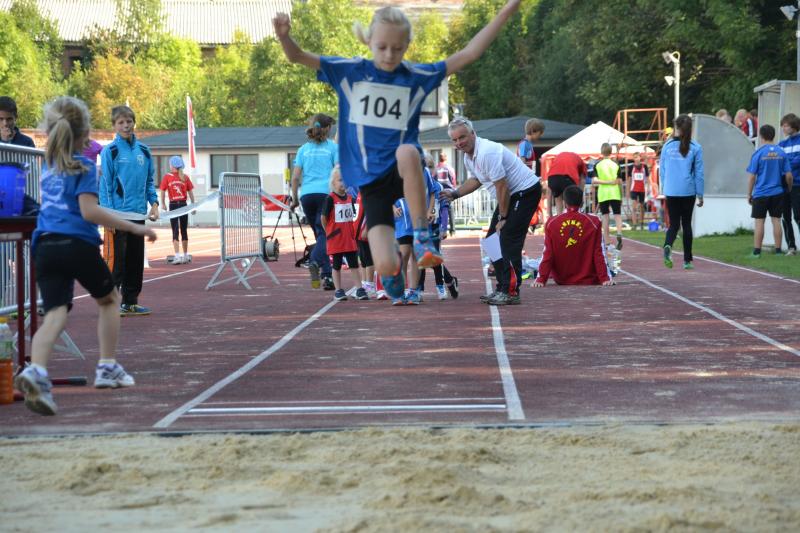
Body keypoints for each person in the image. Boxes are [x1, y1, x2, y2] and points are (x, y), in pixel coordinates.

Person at [273, 1, 522, 302]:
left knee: (407, 151)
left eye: (397, 48)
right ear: (368, 41)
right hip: (371, 180)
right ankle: (392, 275)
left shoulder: (415, 75)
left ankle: (421, 235)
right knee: (386, 266)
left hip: (404, 170)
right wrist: (284, 36)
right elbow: (298, 56)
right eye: (382, 47)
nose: (390, 55)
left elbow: (469, 53)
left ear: (407, 45)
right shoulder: (350, 71)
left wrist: (507, 10)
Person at [14, 96, 157, 416]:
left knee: (55, 314)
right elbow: (89, 211)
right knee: (109, 299)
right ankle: (107, 366)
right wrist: (134, 227)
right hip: (75, 243)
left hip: (45, 246)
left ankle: (37, 371)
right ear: (85, 134)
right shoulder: (84, 166)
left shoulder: (48, 168)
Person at [442, 116, 542, 306]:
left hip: (525, 192)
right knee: (491, 241)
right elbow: (476, 180)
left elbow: (502, 186)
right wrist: (454, 194)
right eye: (454, 140)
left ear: (473, 134)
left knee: (507, 238)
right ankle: (503, 287)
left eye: (462, 137)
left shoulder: (487, 152)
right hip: (512, 194)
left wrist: (503, 218)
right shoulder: (468, 157)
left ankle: (511, 292)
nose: (459, 143)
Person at [99, 105, 159, 316]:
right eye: (121, 122)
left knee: (135, 261)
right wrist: (108, 216)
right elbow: (105, 185)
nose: (126, 126)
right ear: (114, 126)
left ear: (134, 123)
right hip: (117, 216)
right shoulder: (110, 151)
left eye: (129, 121)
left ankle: (130, 302)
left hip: (138, 215)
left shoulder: (144, 151)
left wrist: (154, 203)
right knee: (116, 263)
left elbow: (149, 181)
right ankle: (110, 303)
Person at [290, 113, 338, 290]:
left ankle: (328, 277)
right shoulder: (333, 148)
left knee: (320, 235)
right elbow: (338, 172)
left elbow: (295, 177)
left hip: (307, 196)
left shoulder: (303, 149)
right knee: (326, 234)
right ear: (327, 128)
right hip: (326, 194)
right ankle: (315, 261)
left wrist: (295, 200)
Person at [532, 185, 613, 287]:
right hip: (589, 279)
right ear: (582, 202)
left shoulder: (551, 223)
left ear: (564, 202)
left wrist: (541, 279)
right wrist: (605, 278)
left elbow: (548, 253)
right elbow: (599, 252)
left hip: (561, 280)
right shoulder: (594, 221)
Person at [660, 114, 704, 269]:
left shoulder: (667, 146)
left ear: (676, 127)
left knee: (674, 224)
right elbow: (699, 173)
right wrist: (700, 194)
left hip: (671, 190)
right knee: (686, 224)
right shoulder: (696, 147)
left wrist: (664, 188)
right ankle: (687, 260)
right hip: (688, 190)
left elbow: (662, 170)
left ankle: (668, 244)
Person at [746, 125, 793, 258]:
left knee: (759, 222)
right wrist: (789, 188)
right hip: (777, 192)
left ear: (761, 136)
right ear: (773, 135)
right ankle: (778, 252)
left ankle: (757, 252)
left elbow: (752, 177)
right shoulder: (781, 152)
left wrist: (749, 194)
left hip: (761, 193)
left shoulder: (758, 153)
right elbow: (789, 176)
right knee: (776, 220)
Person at [321, 167, 367, 301]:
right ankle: (338, 290)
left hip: (349, 238)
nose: (343, 183)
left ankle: (359, 289)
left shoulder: (350, 198)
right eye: (340, 180)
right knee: (336, 265)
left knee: (354, 264)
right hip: (336, 238)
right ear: (333, 182)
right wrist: (328, 231)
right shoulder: (330, 199)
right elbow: (323, 218)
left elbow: (353, 216)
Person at [159, 155, 196, 264]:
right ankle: (185, 255)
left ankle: (178, 256)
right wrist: (193, 205)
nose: (169, 166)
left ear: (173, 166)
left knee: (175, 230)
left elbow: (162, 191)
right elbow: (191, 193)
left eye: (170, 164)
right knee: (183, 230)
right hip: (183, 205)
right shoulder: (183, 177)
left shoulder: (169, 177)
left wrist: (163, 203)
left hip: (174, 205)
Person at [593, 143, 623, 251]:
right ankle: (619, 232)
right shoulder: (616, 164)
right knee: (617, 215)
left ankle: (607, 241)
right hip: (615, 193)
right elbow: (619, 181)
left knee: (605, 217)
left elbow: (594, 180)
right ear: (611, 152)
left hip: (603, 194)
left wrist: (605, 182)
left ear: (601, 152)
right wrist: (620, 194)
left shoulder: (597, 165)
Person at [778, 113, 800, 256]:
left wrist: (786, 164)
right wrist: (787, 164)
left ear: (794, 126)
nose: (783, 128)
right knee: (785, 217)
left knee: (798, 216)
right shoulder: (781, 144)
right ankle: (791, 247)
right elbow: (778, 162)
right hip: (784, 185)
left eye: (786, 125)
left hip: (798, 184)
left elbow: (797, 161)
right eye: (783, 126)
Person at [546, 151, 587, 216]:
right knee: (572, 202)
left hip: (552, 178)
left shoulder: (558, 157)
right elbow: (582, 180)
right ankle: (572, 219)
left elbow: (549, 191)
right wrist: (580, 197)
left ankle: (559, 218)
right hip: (568, 177)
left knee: (558, 197)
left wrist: (549, 214)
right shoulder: (581, 161)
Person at [627, 152, 650, 230]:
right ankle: (634, 224)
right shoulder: (631, 167)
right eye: (634, 157)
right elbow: (629, 179)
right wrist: (628, 190)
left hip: (642, 189)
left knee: (642, 207)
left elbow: (647, 178)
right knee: (634, 207)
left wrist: (648, 187)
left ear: (640, 157)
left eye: (637, 157)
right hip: (633, 189)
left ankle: (641, 223)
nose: (636, 159)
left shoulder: (644, 167)